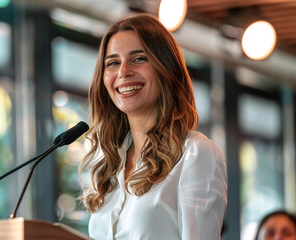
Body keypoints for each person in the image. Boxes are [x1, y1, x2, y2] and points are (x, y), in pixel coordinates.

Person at [78, 13, 228, 240]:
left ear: (166, 69)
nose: (123, 71)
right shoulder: (109, 163)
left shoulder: (196, 154)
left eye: (138, 59)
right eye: (113, 63)